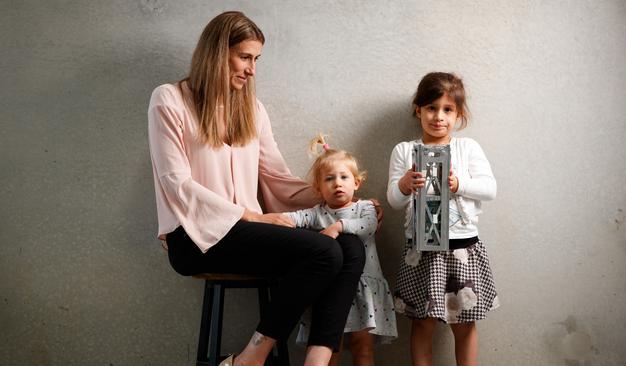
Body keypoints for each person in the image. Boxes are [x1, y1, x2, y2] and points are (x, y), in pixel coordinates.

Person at [148, 11, 375, 366]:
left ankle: (316, 360)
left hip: (250, 231)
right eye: (245, 57)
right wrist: (250, 216)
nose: (252, 69)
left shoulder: (252, 110)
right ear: (216, 52)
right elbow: (175, 183)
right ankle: (254, 356)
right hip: (194, 238)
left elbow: (277, 179)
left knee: (348, 244)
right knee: (324, 253)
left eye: (256, 60)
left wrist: (340, 199)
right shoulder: (169, 100)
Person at [387, 72, 499, 366]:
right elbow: (393, 201)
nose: (439, 117)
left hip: (461, 250)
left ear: (458, 114)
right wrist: (404, 185)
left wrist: (458, 184)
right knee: (422, 323)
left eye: (448, 109)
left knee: (463, 324)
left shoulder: (467, 148)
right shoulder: (404, 150)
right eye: (431, 108)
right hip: (421, 253)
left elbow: (490, 189)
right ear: (418, 110)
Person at [284, 134, 398, 366]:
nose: (337, 183)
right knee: (330, 347)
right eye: (329, 179)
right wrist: (259, 220)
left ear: (356, 183)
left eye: (344, 177)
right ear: (318, 187)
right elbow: (292, 219)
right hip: (330, 292)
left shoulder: (365, 208)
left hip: (364, 289)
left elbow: (367, 228)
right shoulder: (317, 213)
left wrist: (339, 226)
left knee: (362, 348)